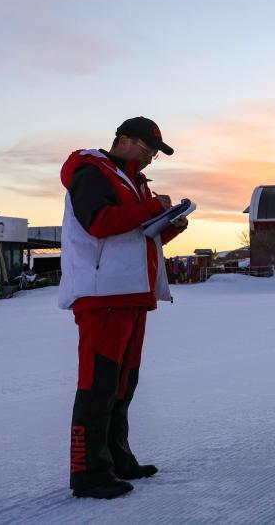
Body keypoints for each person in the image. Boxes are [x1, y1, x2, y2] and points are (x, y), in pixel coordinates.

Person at [59, 117, 187, 499]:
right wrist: (150, 209)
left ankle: (117, 459)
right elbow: (99, 223)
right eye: (149, 149)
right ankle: (89, 472)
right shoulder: (91, 172)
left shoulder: (134, 182)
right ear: (125, 140)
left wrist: (168, 225)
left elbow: (133, 235)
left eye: (155, 153)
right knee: (97, 383)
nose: (150, 157)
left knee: (122, 384)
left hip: (130, 294)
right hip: (102, 296)